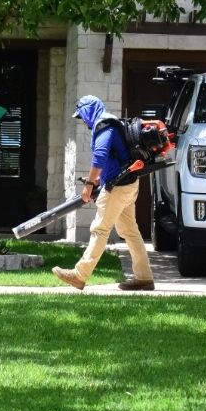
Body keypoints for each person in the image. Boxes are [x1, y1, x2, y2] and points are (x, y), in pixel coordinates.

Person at [52, 95, 155, 291]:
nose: (83, 121)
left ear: (89, 111)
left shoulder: (103, 125)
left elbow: (100, 155)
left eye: (82, 116)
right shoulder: (110, 123)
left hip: (118, 187)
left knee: (99, 229)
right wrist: (99, 178)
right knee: (130, 231)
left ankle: (79, 275)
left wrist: (89, 184)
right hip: (128, 184)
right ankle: (144, 277)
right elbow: (116, 158)